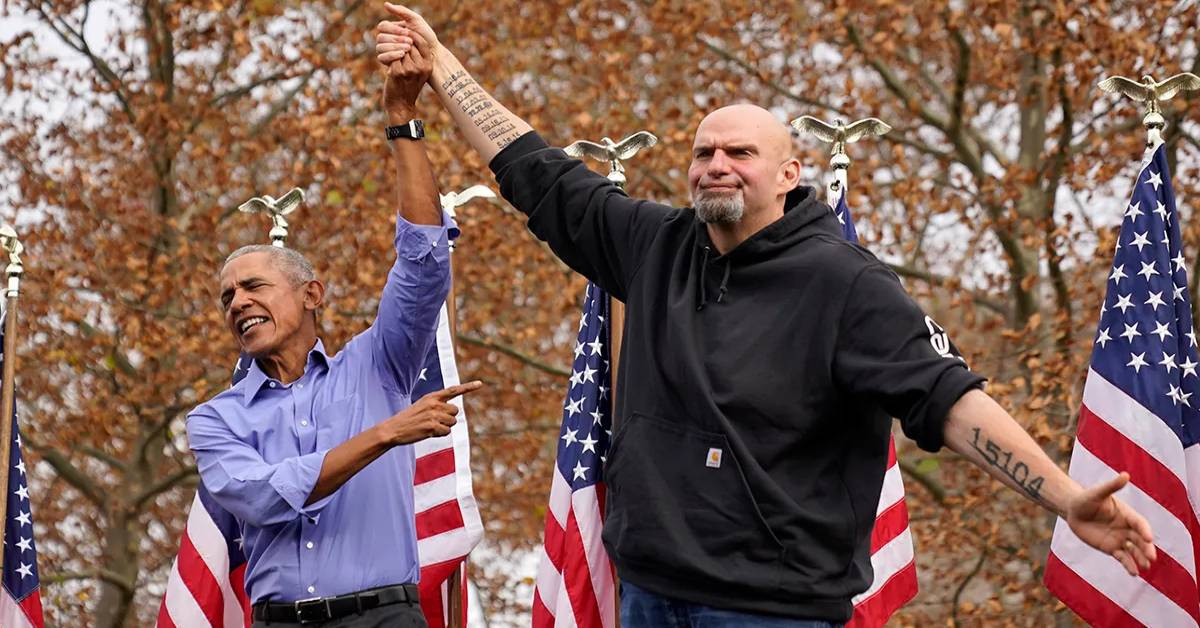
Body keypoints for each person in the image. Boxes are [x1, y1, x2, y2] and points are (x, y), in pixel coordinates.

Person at [378, 5, 1157, 627]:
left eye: (740, 153)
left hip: (769, 611)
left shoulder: (845, 284)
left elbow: (946, 398)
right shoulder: (658, 245)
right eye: (704, 151)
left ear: (788, 174)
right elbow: (534, 170)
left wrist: (1063, 495)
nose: (716, 163)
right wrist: (441, 65)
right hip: (646, 596)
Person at [186, 28, 479, 628]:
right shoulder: (214, 420)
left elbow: (424, 260)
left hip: (385, 618)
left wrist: (402, 117)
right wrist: (386, 434)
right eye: (226, 297)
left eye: (253, 287)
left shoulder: (379, 365)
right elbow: (264, 497)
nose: (237, 302)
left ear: (311, 294)